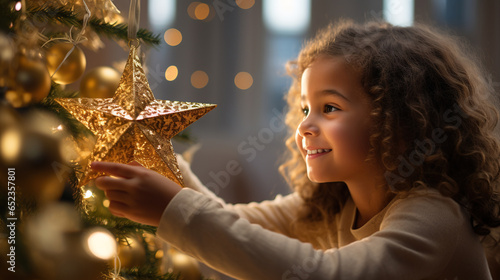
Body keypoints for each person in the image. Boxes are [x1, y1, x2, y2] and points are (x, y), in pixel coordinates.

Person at [91, 20, 500, 279]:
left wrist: (173, 207)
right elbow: (233, 224)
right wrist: (162, 160)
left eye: (329, 108)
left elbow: (326, 274)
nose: (305, 125)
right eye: (305, 108)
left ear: (403, 121)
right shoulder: (332, 206)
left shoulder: (434, 216)